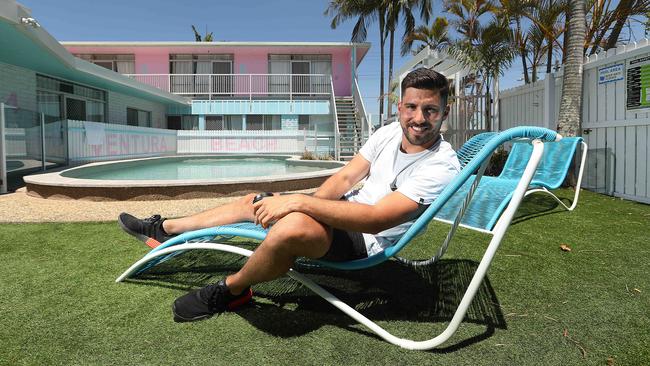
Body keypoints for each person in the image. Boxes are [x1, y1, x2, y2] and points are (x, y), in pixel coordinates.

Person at [118, 68, 460, 322]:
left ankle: (232, 291)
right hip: (343, 213)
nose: (419, 118)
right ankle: (165, 230)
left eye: (430, 110)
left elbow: (375, 221)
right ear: (400, 107)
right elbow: (345, 176)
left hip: (368, 241)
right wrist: (309, 204)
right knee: (256, 201)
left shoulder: (441, 166)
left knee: (292, 227)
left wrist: (298, 204)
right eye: (412, 108)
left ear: (443, 112)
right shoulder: (387, 133)